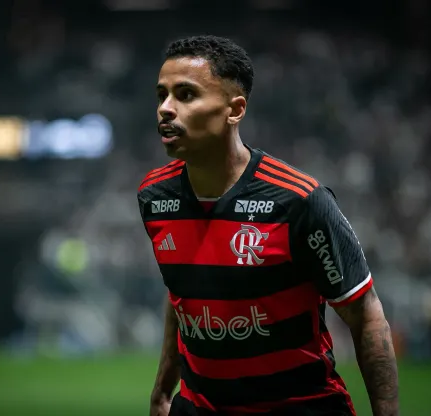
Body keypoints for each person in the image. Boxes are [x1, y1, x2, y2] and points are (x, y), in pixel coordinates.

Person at [138, 35, 399, 416]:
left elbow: (365, 312)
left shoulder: (299, 200)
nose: (165, 108)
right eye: (161, 94)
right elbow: (181, 293)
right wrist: (163, 389)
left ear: (234, 109)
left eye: (186, 95)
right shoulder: (153, 196)